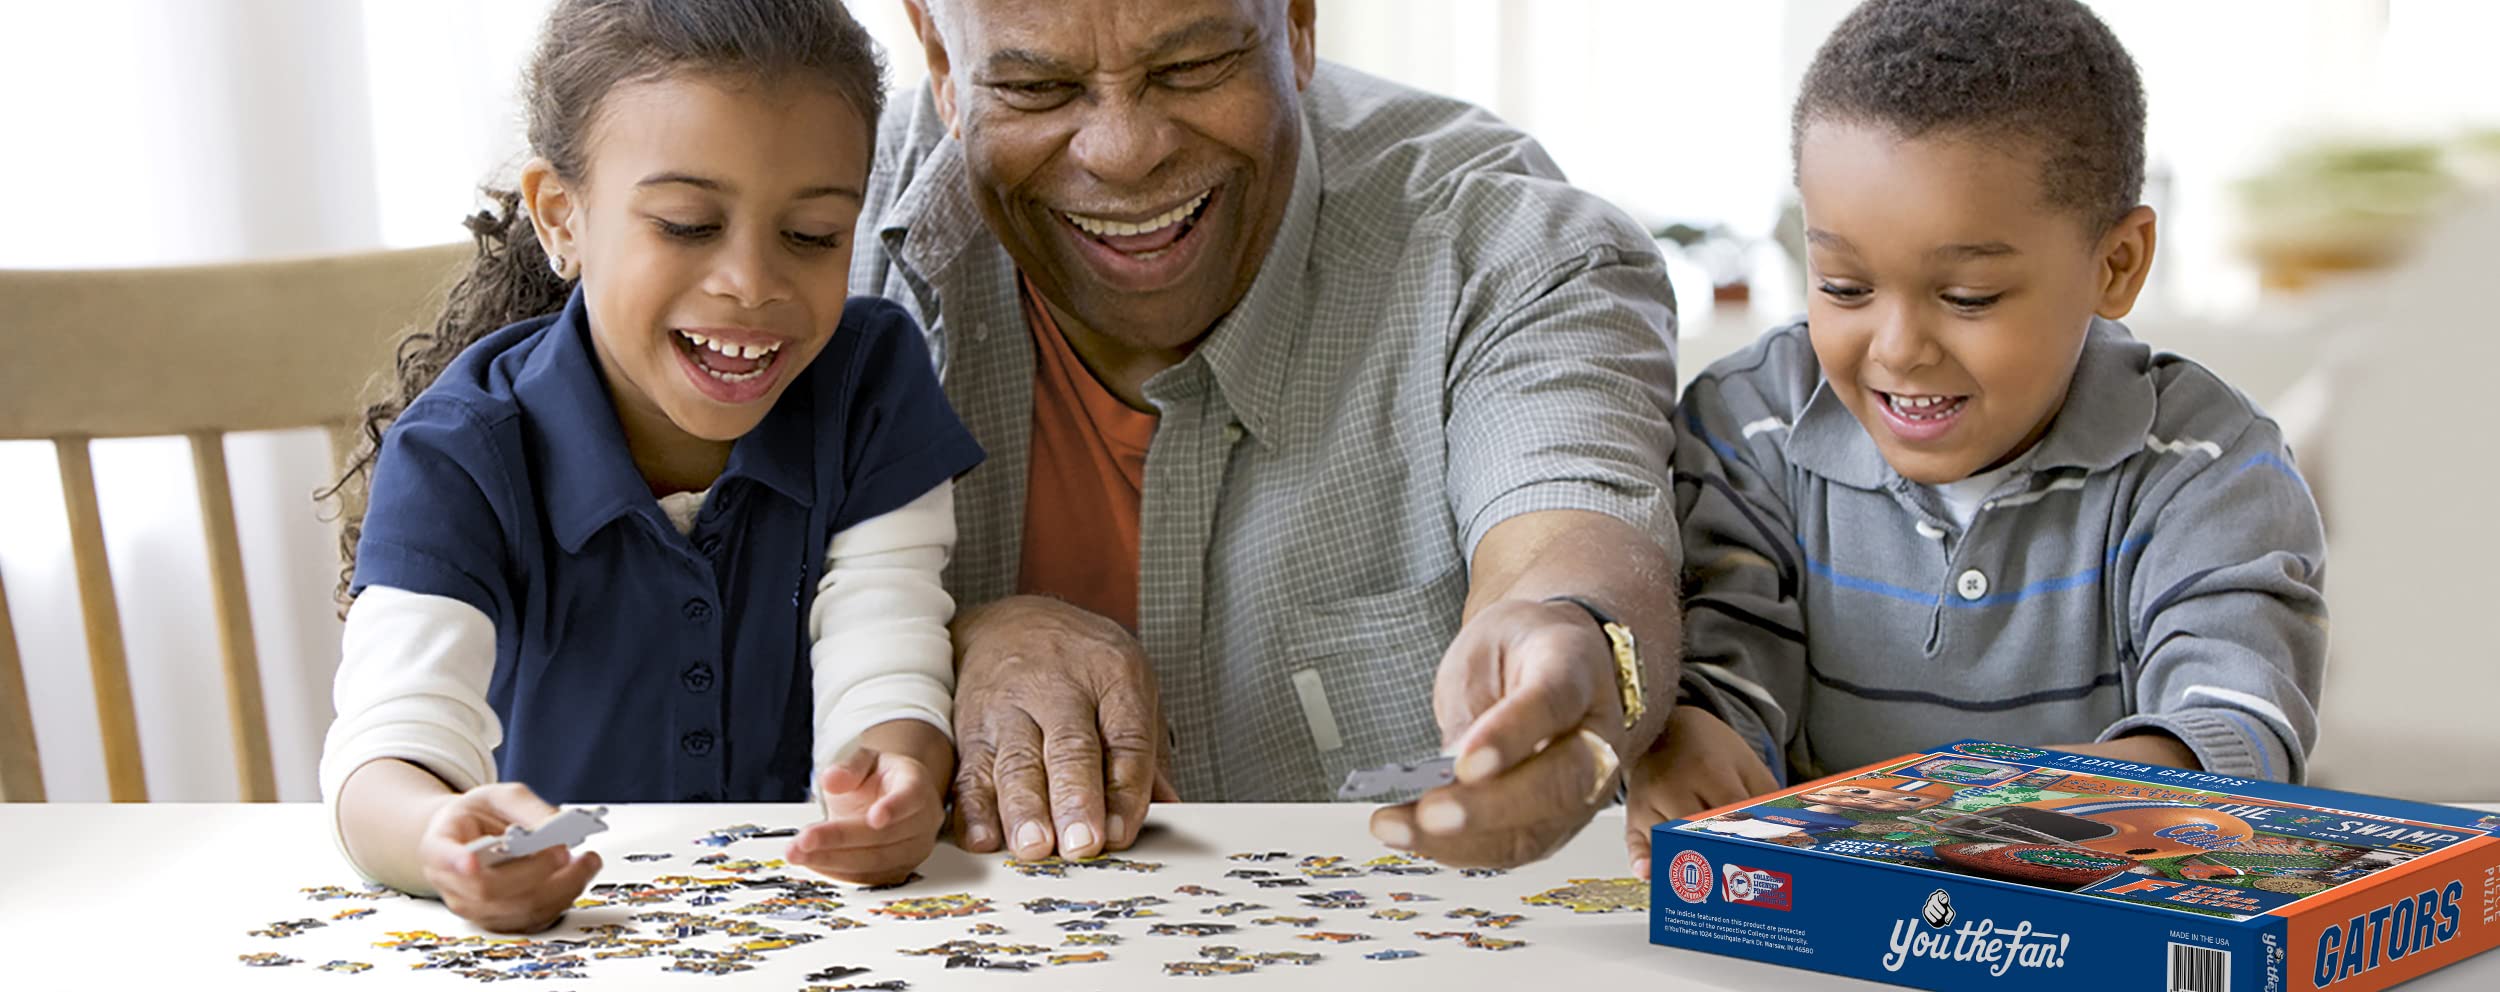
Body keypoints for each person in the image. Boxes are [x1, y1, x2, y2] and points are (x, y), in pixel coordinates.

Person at [857, 0, 1683, 869]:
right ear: (941, 61)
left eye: (1191, 67)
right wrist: (939, 642)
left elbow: (1568, 536)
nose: (1124, 151)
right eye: (1035, 86)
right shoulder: (796, 223)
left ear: (1296, 23)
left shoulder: (1503, 244)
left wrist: (1576, 643)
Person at [316, 0, 983, 932]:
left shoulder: (871, 384)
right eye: (684, 223)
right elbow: (386, 750)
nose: (751, 281)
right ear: (561, 217)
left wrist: (894, 778)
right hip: (565, 939)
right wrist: (438, 837)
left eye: (814, 235)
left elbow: (886, 647)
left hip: (813, 929)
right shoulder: (460, 451)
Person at [1626, 0, 2327, 876]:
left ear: (2116, 265)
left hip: (2084, 918)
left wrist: (2103, 801)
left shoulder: (2207, 464)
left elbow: (2234, 706)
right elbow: (1728, 646)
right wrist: (1691, 731)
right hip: (1815, 923)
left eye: (1968, 298)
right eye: (1844, 286)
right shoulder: (1748, 424)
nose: (1897, 348)